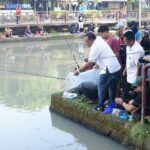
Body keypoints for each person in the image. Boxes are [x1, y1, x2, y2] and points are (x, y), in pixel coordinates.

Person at [74, 32, 121, 112]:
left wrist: (79, 70)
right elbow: (102, 55)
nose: (86, 43)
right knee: (111, 87)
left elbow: (89, 63)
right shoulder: (99, 40)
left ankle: (100, 106)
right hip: (116, 67)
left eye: (87, 41)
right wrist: (98, 64)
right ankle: (111, 105)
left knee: (101, 86)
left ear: (91, 40)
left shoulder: (95, 46)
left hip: (108, 68)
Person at [122, 31, 144, 100]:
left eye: (125, 41)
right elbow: (128, 59)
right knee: (126, 93)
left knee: (134, 95)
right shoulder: (127, 47)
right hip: (129, 73)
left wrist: (137, 80)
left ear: (131, 40)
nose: (124, 42)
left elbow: (139, 66)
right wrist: (125, 69)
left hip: (135, 75)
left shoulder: (138, 49)